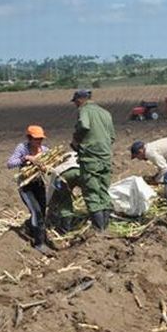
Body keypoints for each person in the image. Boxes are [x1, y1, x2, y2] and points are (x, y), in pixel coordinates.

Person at [70, 89, 115, 231]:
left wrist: (76, 139)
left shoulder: (84, 110)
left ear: (80, 100)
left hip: (90, 158)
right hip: (106, 158)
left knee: (91, 193)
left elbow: (84, 125)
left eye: (76, 102)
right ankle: (106, 227)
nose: (76, 105)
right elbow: (112, 137)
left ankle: (99, 230)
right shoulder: (105, 113)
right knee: (103, 191)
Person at [7, 125, 53, 255]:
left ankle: (30, 226)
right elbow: (10, 163)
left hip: (39, 185)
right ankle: (39, 243)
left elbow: (50, 168)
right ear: (29, 138)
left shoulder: (44, 150)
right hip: (26, 186)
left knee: (42, 212)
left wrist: (45, 168)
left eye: (40, 139)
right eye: (36, 139)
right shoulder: (22, 148)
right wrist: (26, 158)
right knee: (37, 212)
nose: (39, 142)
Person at [46, 151, 82, 234]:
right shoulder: (73, 153)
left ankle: (64, 230)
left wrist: (48, 203)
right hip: (83, 172)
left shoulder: (56, 167)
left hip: (64, 174)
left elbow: (51, 192)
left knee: (65, 203)